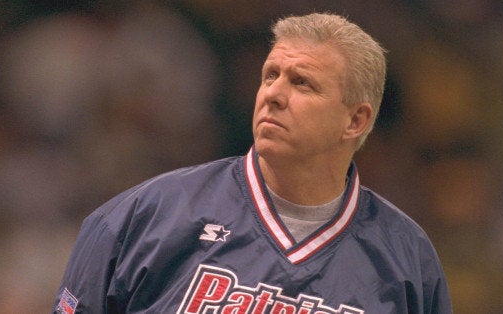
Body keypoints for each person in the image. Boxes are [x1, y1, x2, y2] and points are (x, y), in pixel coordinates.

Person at [53, 12, 452, 313]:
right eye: (270, 75)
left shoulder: (406, 258)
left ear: (356, 120)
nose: (273, 94)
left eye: (302, 83)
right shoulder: (143, 217)